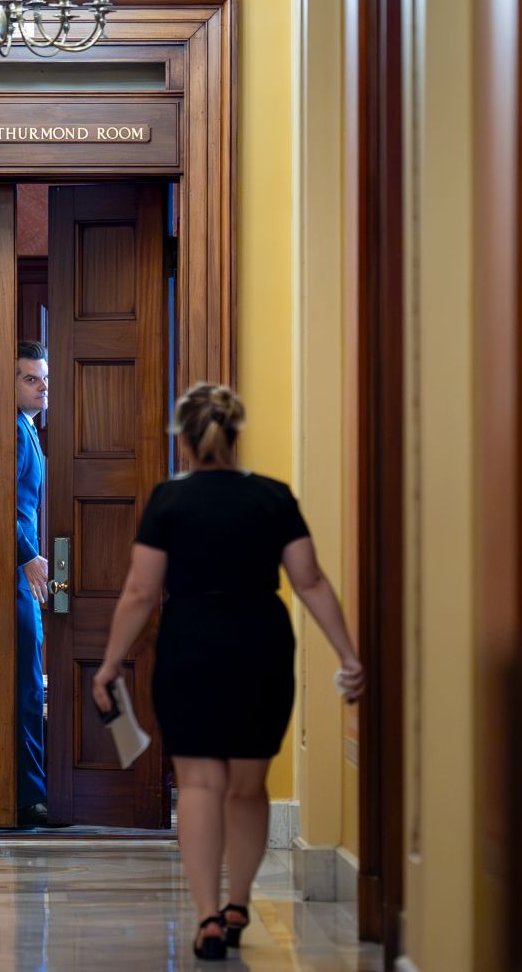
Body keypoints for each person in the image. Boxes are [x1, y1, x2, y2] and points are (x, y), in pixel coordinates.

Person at [92, 383, 365, 960]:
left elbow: (142, 590)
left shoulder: (169, 500)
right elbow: (309, 581)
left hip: (192, 642)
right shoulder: (273, 497)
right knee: (247, 785)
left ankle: (208, 916)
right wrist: (348, 654)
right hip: (259, 643)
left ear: (183, 439)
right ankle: (240, 902)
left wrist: (111, 662)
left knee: (198, 784)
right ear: (235, 436)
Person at [14, 341, 53, 826]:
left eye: (44, 377)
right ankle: (29, 797)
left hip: (27, 571)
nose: (43, 386)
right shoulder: (15, 432)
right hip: (14, 571)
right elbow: (4, 499)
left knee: (30, 683)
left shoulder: (30, 429)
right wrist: (27, 556)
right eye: (30, 379)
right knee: (26, 685)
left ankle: (33, 789)